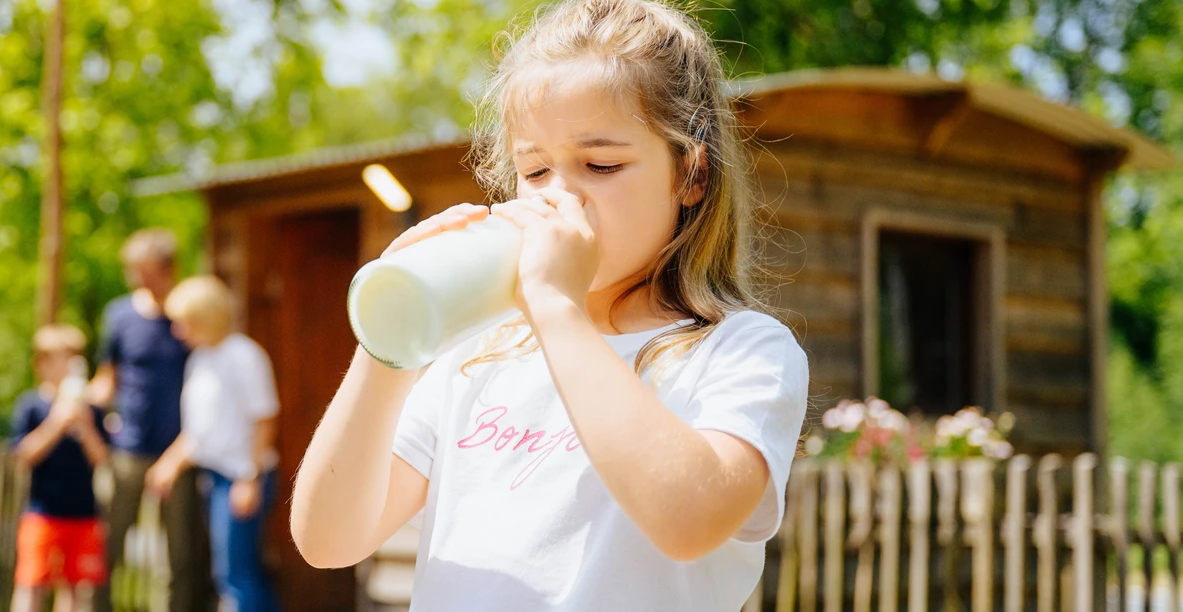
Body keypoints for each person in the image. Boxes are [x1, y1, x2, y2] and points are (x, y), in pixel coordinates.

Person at [289, 1, 810, 610]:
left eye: (601, 165)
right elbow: (327, 540)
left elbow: (688, 520)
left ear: (692, 174)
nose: (561, 197)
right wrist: (387, 345)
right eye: (534, 170)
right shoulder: (475, 357)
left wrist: (556, 309)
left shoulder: (742, 350)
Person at [87, 228, 214, 612]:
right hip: (127, 450)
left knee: (175, 556)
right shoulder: (119, 315)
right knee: (107, 547)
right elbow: (107, 378)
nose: (139, 279)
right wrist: (78, 408)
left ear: (169, 268)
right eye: (134, 271)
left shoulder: (190, 316)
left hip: (177, 454)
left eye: (147, 271)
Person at [149, 276, 282, 612]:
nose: (178, 331)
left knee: (235, 574)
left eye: (184, 323)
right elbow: (199, 430)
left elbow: (265, 420)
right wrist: (170, 463)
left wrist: (248, 478)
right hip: (214, 475)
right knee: (230, 571)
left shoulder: (244, 356)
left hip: (241, 477)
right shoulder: (201, 358)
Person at [10, 325, 110, 612]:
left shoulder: (91, 409)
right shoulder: (31, 406)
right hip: (43, 514)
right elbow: (24, 455)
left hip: (83, 514)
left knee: (75, 590)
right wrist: (56, 424)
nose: (70, 366)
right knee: (32, 584)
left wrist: (85, 426)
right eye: (62, 359)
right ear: (41, 364)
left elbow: (101, 458)